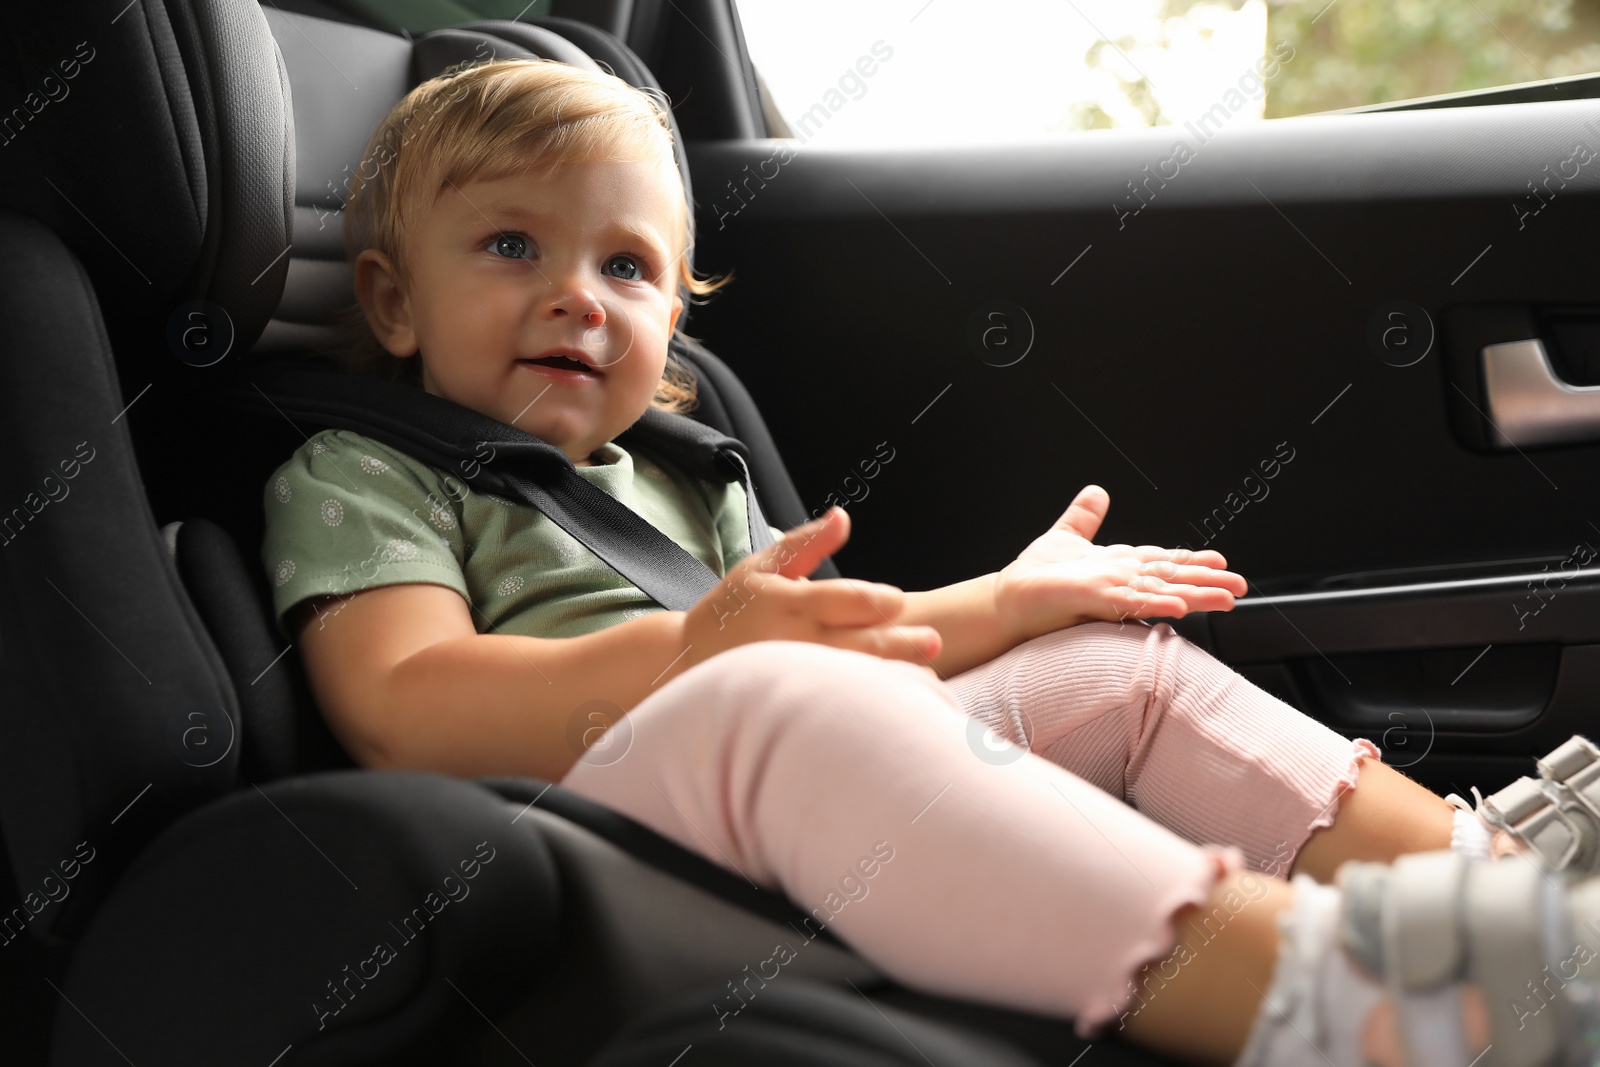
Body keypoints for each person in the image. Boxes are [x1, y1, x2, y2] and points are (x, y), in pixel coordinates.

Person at [260, 56, 1600, 1067]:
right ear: (389, 296)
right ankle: (1371, 1002)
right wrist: (690, 653)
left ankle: (1494, 896)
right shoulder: (368, 472)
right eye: (512, 248)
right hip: (589, 815)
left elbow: (848, 644)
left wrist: (1008, 606)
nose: (576, 296)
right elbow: (402, 704)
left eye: (627, 268)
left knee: (1108, 666)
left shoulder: (679, 471)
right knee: (772, 695)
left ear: (673, 323)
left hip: (789, 750)